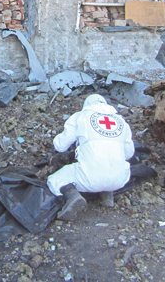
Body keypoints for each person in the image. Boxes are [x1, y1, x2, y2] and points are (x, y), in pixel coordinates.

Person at [47, 93, 135, 221]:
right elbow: (129, 154)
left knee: (55, 179)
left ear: (86, 106)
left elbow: (60, 146)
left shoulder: (80, 116)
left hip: (90, 178)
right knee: (109, 165)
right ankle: (107, 194)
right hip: (120, 179)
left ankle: (73, 197)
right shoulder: (121, 121)